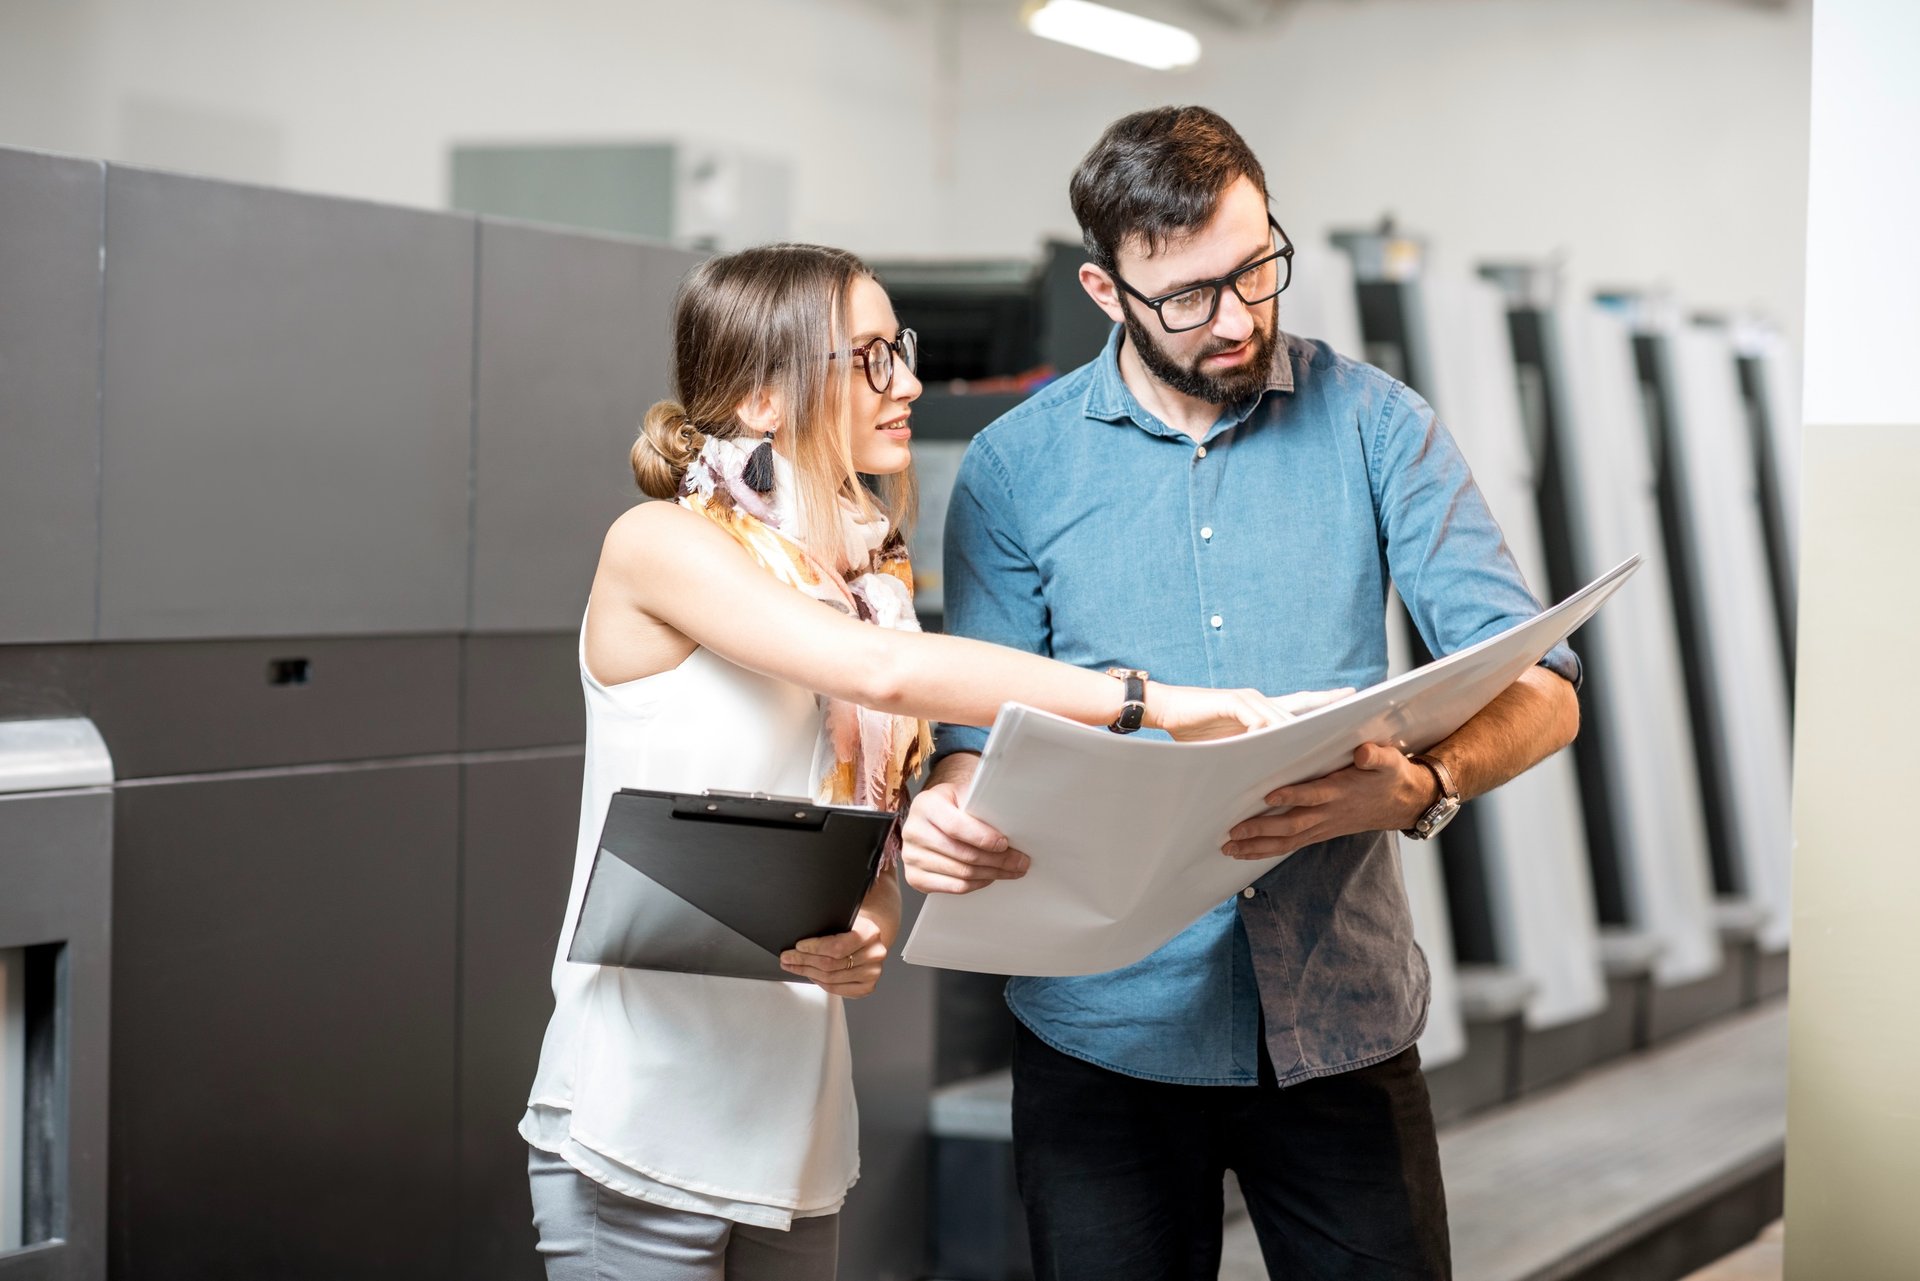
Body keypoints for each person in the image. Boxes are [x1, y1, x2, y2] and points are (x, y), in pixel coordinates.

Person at [519, 242, 1328, 1281]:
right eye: (867, 360)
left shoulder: (865, 583)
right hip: (637, 1125)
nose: (907, 380)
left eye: (897, 348)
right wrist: (1150, 702)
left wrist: (869, 926)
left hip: (789, 1130)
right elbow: (885, 673)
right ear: (763, 398)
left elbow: (872, 846)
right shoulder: (662, 548)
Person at [901, 107, 1583, 1280]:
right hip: (1100, 1033)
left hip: (1340, 1023)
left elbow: (1545, 686)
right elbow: (977, 736)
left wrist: (1421, 784)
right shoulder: (1015, 469)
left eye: (1257, 269)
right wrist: (954, 811)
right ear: (1106, 292)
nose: (1237, 319)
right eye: (1188, 296)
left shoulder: (1378, 427)